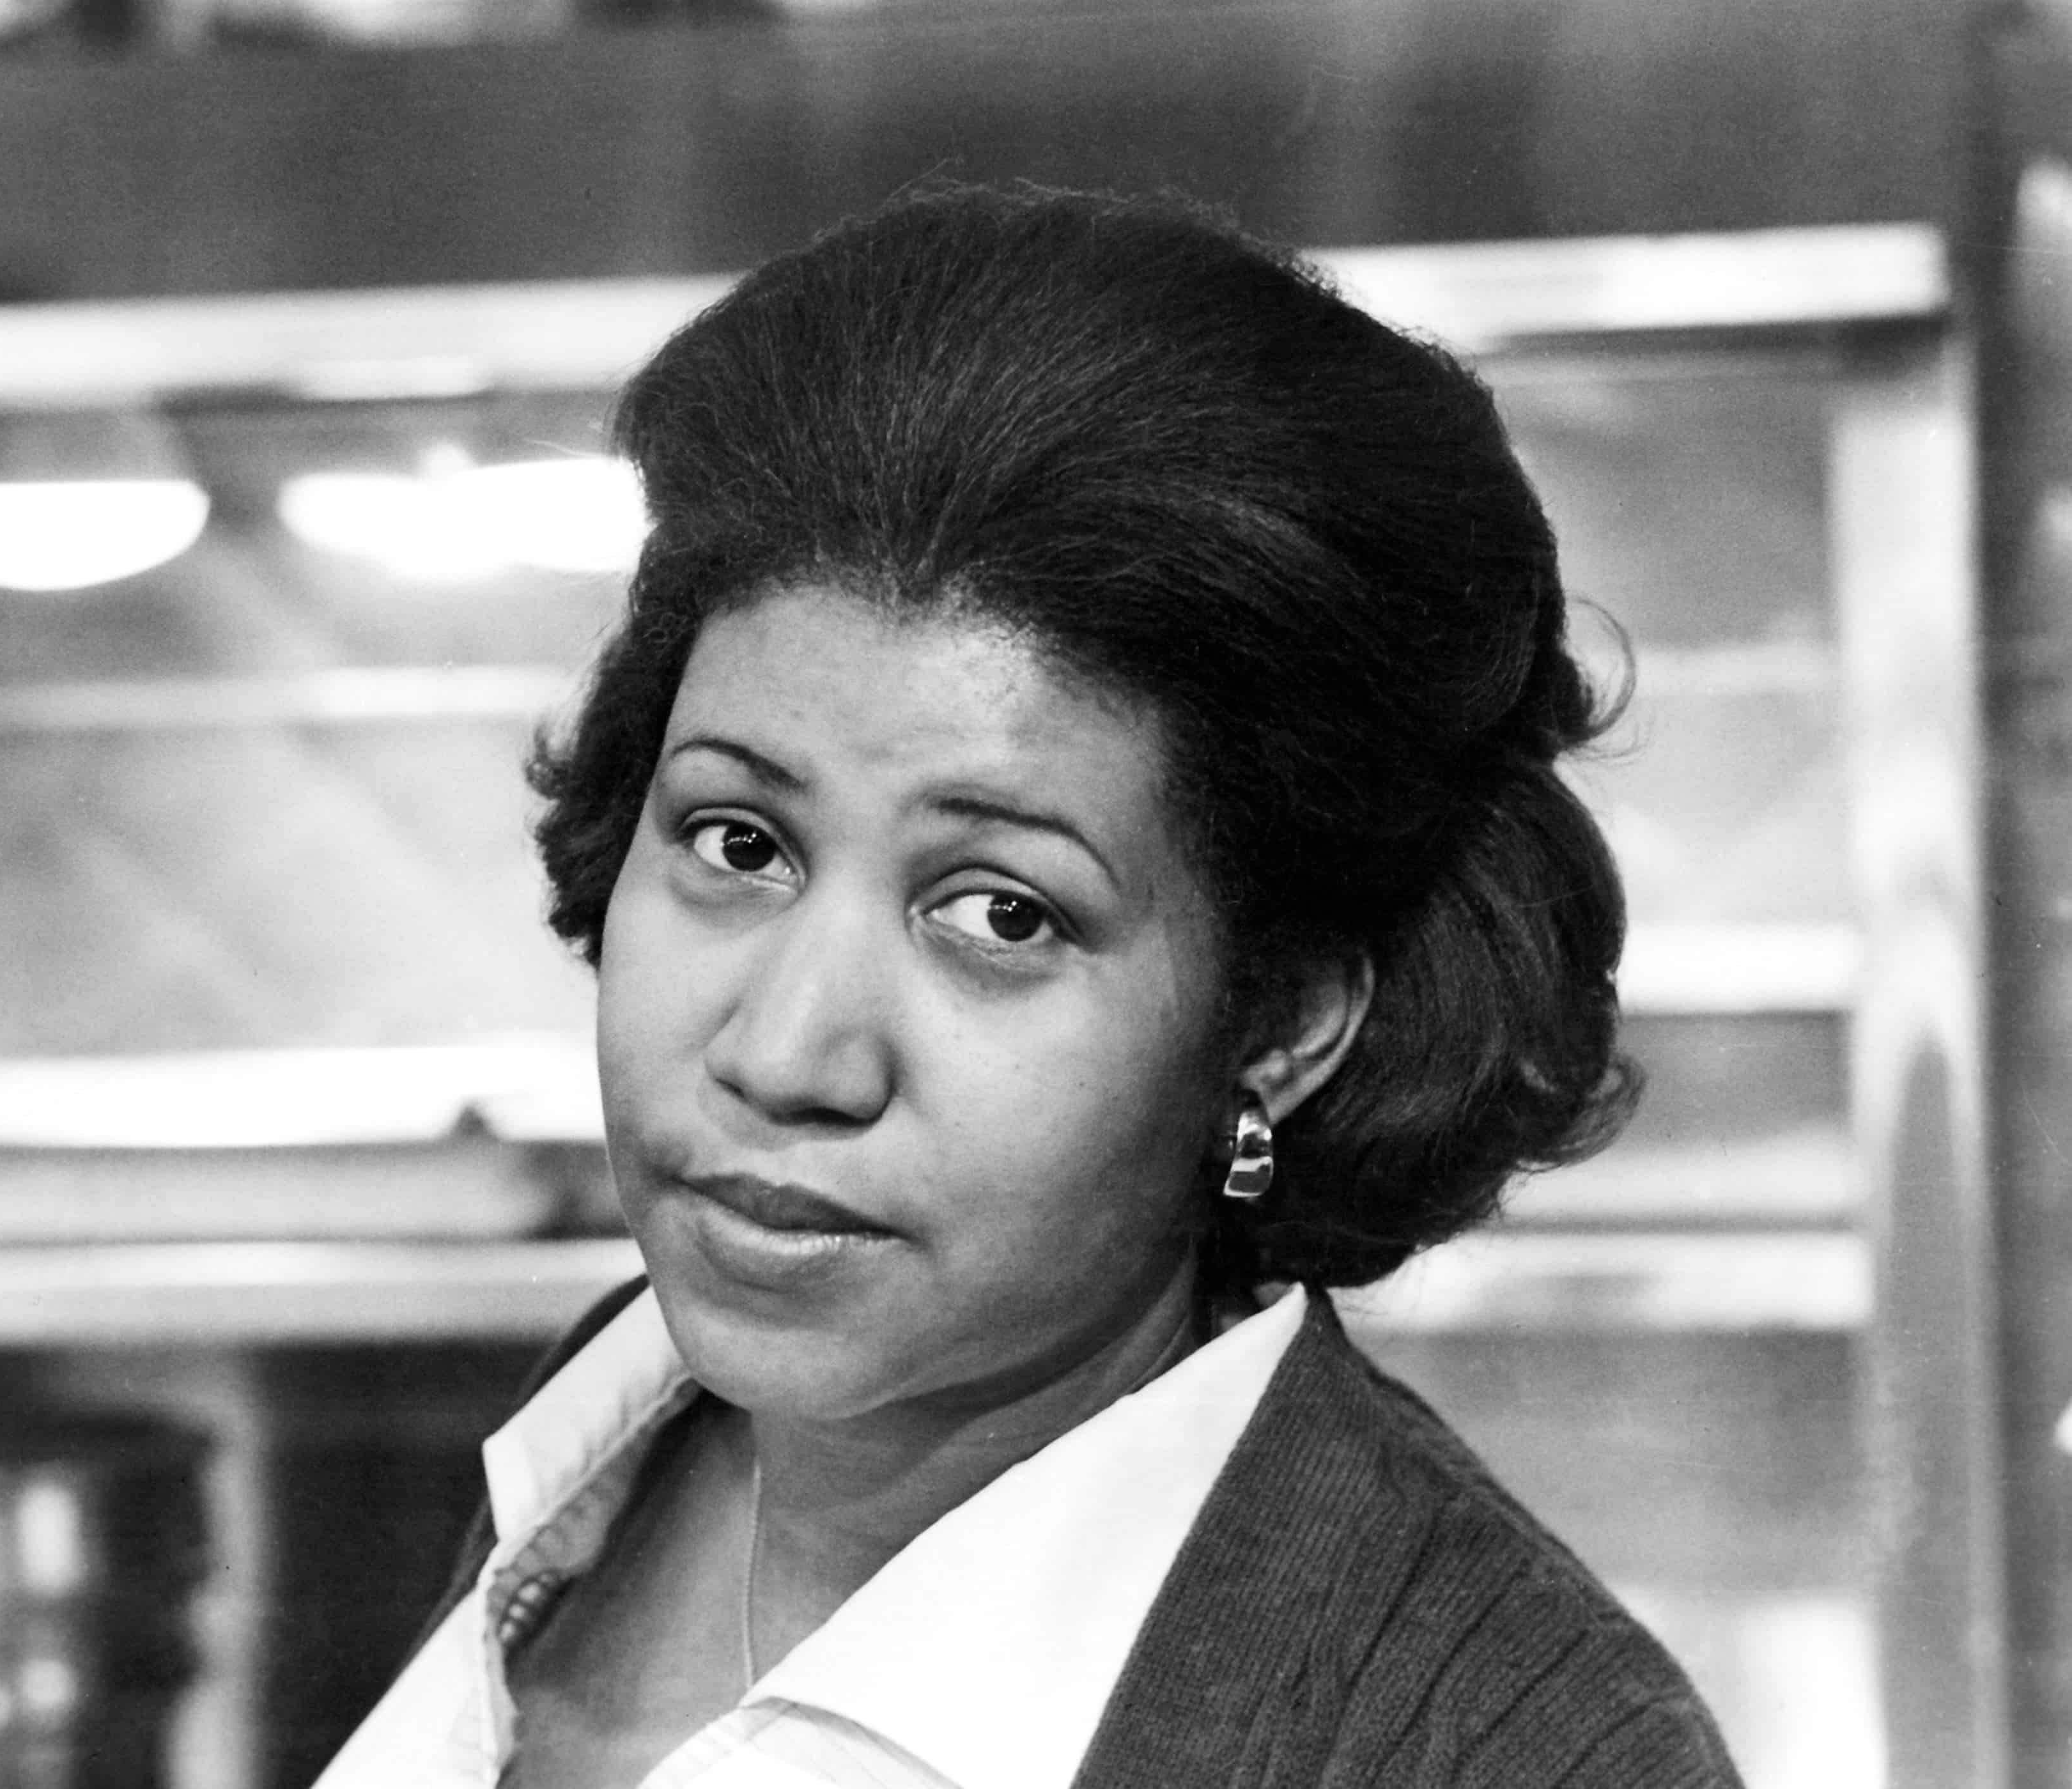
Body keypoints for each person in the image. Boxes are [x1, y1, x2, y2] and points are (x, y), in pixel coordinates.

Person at [318, 184, 1742, 1789]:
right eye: (739, 841)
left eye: (1001, 913)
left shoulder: (1497, 1748)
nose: (786, 1053)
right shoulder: (609, 1421)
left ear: (1281, 1023)